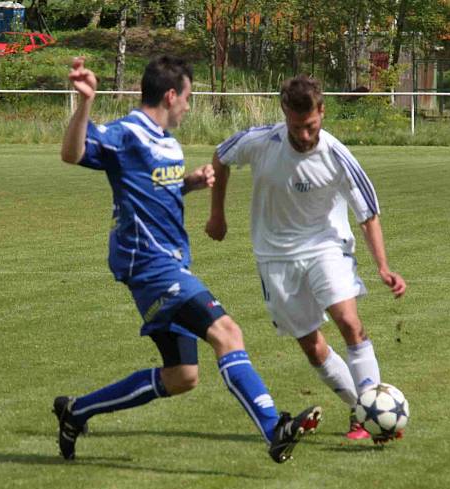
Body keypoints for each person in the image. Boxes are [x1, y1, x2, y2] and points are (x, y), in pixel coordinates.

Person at [54, 56, 321, 463]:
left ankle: (77, 412)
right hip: (149, 267)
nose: (188, 107)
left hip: (171, 264)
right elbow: (72, 154)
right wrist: (85, 103)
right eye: (188, 98)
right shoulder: (129, 133)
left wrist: (189, 184)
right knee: (227, 332)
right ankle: (273, 427)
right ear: (171, 95)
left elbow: (150, 191)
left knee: (182, 377)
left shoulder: (167, 142)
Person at [206, 75, 407, 442]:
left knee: (348, 321)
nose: (303, 134)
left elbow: (368, 215)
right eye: (296, 127)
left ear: (322, 112)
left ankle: (369, 418)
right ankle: (363, 408)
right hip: (274, 258)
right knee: (312, 346)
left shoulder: (337, 155)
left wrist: (383, 266)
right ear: (285, 114)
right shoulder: (261, 141)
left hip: (325, 247)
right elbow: (220, 158)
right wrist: (217, 214)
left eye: (311, 125)